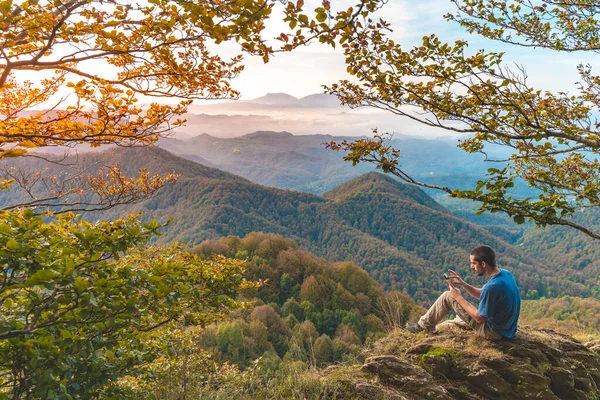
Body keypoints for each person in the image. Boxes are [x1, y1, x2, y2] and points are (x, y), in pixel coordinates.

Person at [406, 245, 520, 340]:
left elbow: (480, 318)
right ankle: (436, 324)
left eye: (474, 263)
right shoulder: (505, 274)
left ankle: (422, 326)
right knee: (455, 321)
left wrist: (458, 297)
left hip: (494, 333)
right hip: (507, 329)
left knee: (447, 296)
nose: (472, 267)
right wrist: (463, 284)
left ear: (483, 264)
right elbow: (484, 294)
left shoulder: (491, 287)